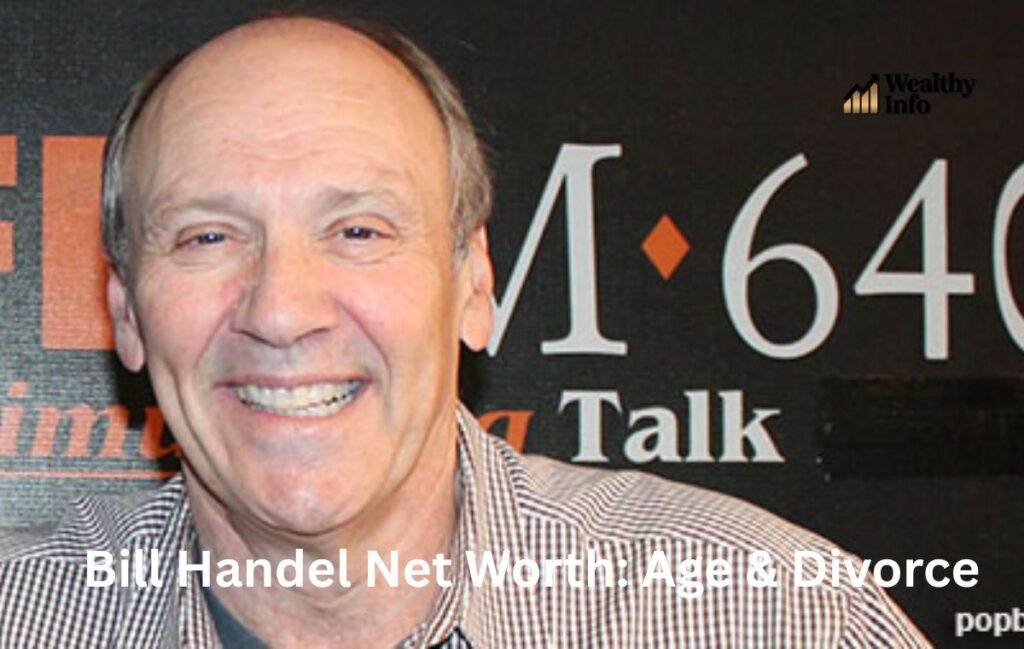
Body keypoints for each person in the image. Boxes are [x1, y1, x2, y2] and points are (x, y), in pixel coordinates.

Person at [0, 14, 930, 648]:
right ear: (126, 312)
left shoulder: (773, 616)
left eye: (359, 230)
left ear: (475, 282)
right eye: (208, 235)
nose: (282, 309)